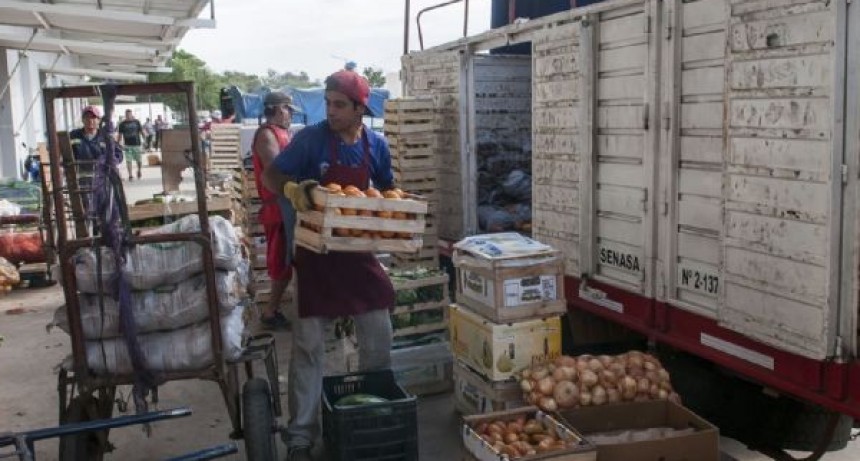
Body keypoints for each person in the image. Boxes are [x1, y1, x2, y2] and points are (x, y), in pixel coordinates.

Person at [262, 70, 395, 461]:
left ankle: (372, 413)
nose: (331, 111)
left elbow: (386, 189)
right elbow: (272, 173)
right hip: (316, 256)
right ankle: (301, 436)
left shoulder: (376, 146)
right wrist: (289, 188)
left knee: (379, 330)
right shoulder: (311, 139)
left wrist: (395, 211)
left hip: (358, 257)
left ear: (359, 109)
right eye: (328, 102)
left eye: (340, 104)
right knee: (308, 346)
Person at [251, 92, 299, 329]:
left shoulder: (281, 133)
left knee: (288, 260)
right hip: (278, 207)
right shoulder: (267, 135)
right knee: (281, 261)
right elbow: (275, 171)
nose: (290, 115)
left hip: (287, 204)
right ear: (280, 109)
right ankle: (270, 312)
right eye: (289, 110)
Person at [69, 105, 123, 210]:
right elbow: (62, 151)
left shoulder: (106, 137)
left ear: (98, 120)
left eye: (93, 117)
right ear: (82, 119)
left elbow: (118, 155)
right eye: (87, 117)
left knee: (102, 207)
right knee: (84, 208)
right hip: (81, 179)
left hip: (102, 178)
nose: (90, 120)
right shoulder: (73, 135)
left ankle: (100, 224)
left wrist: (110, 162)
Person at [117, 109, 144, 181]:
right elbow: (120, 135)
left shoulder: (137, 122)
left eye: (129, 115)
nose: (128, 116)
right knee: (128, 160)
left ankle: (139, 170)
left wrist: (145, 141)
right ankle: (130, 175)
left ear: (132, 115)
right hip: (127, 145)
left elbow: (141, 131)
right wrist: (118, 143)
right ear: (125, 115)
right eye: (127, 115)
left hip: (137, 144)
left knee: (139, 160)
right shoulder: (122, 124)